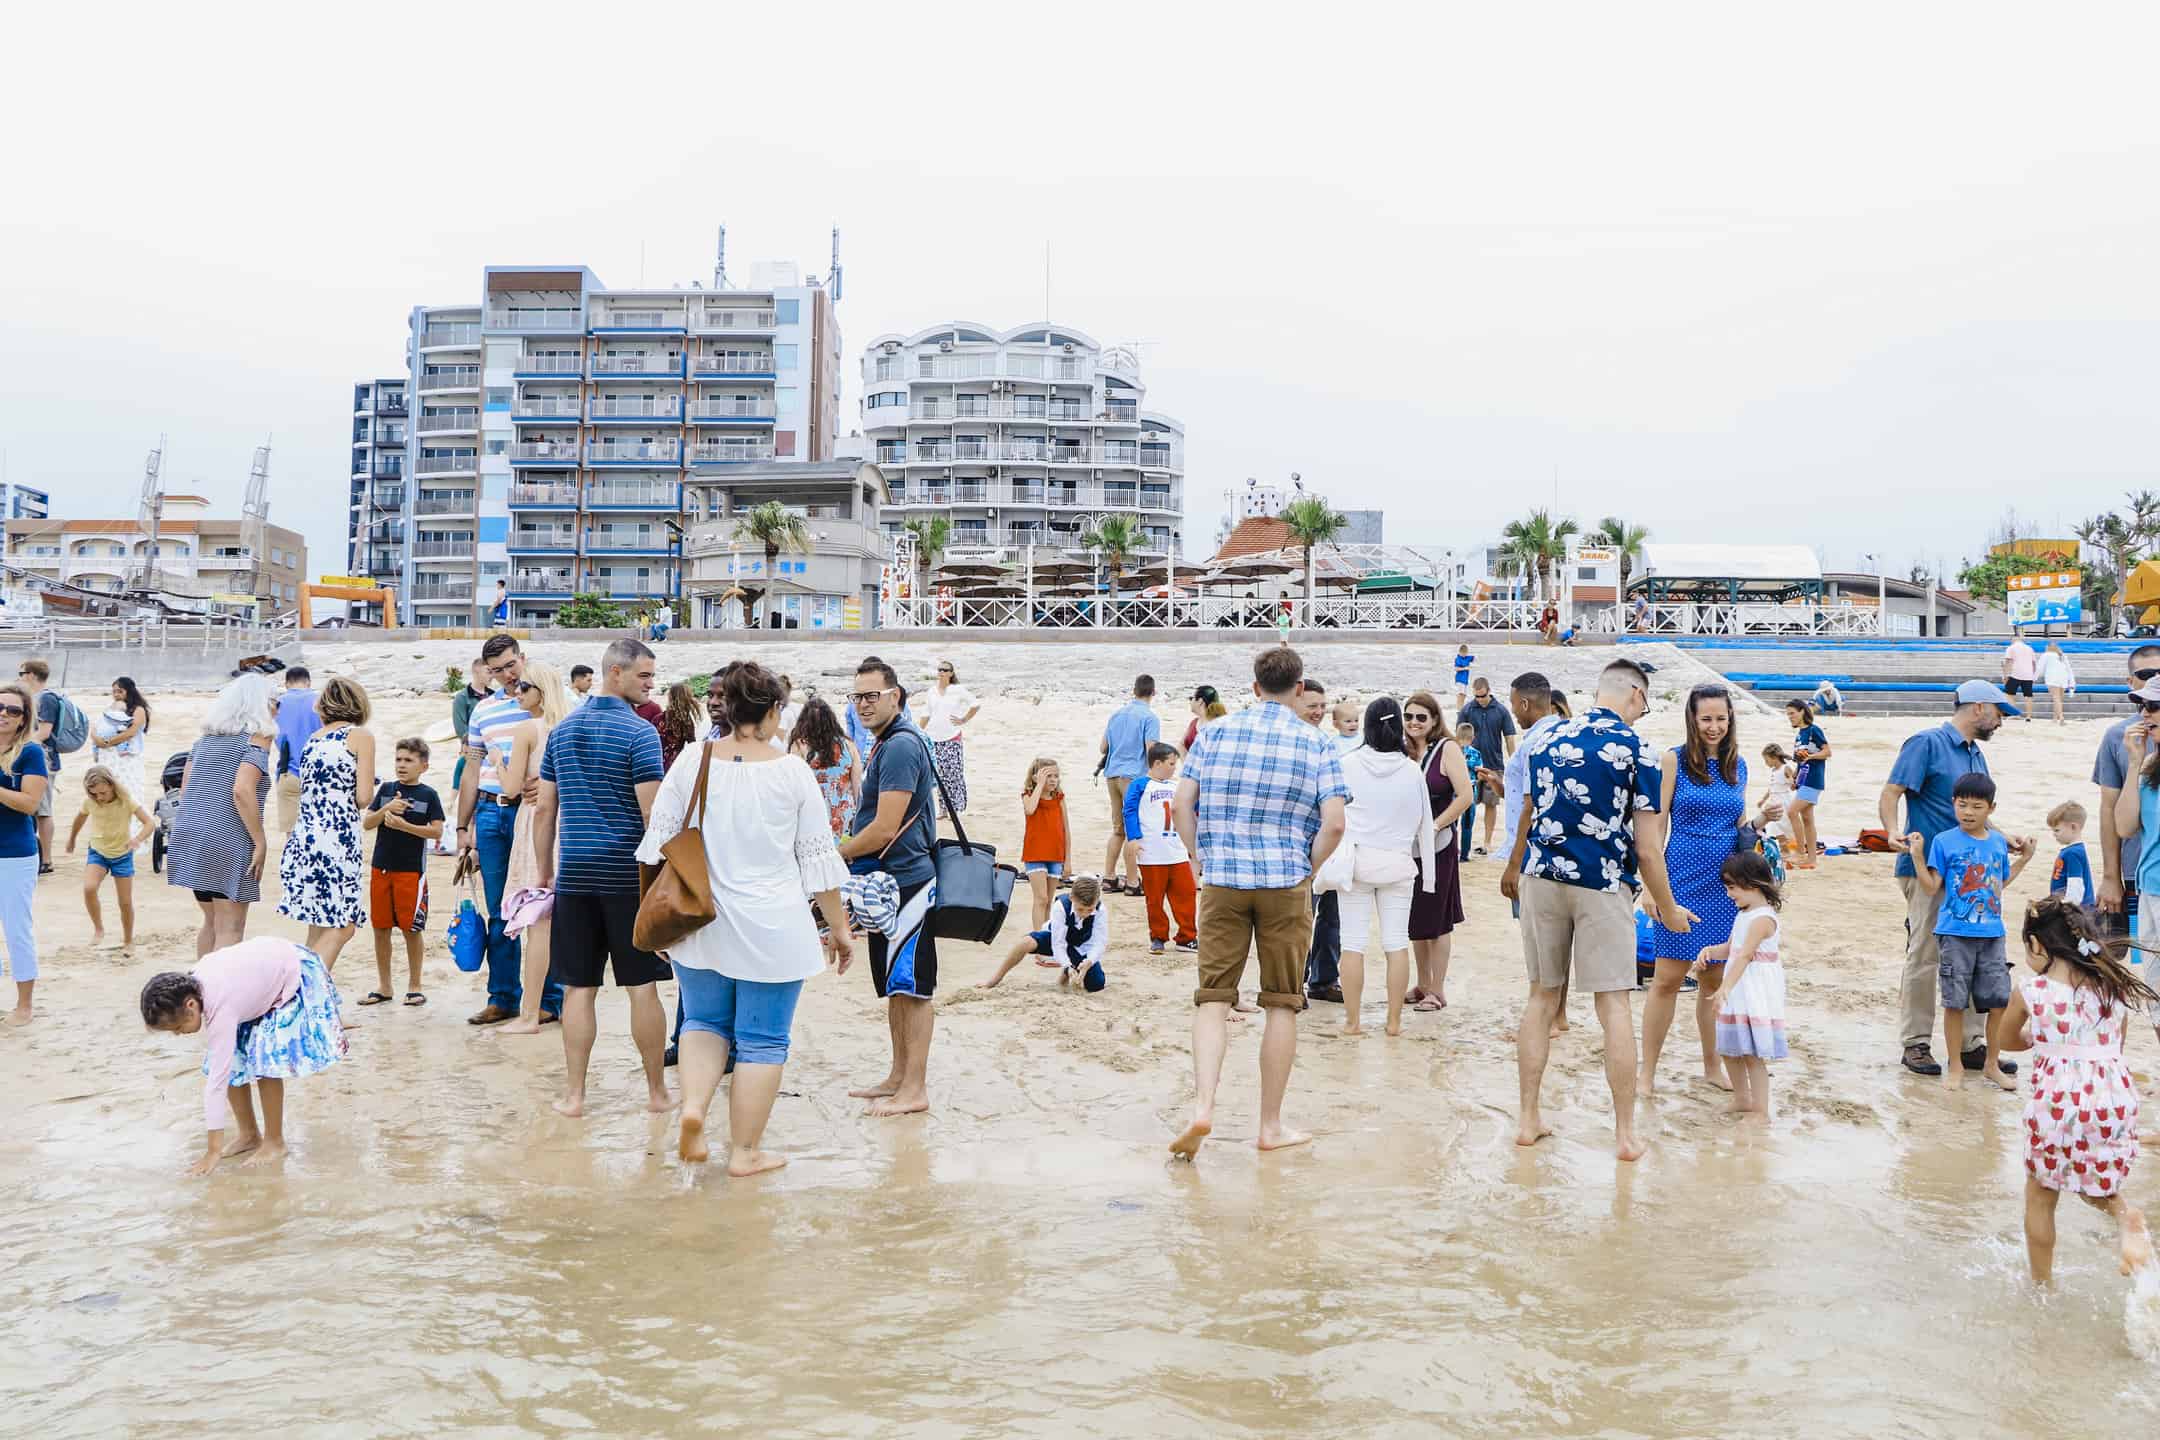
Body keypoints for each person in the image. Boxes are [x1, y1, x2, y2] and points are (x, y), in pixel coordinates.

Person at [636, 660, 853, 1176]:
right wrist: (840, 930)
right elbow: (818, 863)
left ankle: (693, 1108)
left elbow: (656, 843)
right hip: (773, 924)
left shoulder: (693, 760)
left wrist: (656, 918)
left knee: (705, 1022)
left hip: (699, 917)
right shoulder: (791, 771)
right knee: (763, 1040)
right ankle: (745, 1152)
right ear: (774, 710)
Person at [1503, 658, 1691, 1162]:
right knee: (1613, 1007)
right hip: (1602, 883)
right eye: (1644, 703)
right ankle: (1625, 1135)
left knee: (1541, 999)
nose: (1643, 712)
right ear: (1634, 694)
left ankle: (1527, 1119)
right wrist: (1669, 909)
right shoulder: (1638, 752)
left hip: (1540, 879)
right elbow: (1648, 849)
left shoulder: (1543, 740)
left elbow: (1528, 812)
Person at [1168, 646, 1348, 1160]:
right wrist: (1307, 869)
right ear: (1298, 690)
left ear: (1253, 688)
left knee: (1213, 998)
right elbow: (1335, 823)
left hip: (1223, 877)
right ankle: (1269, 1125)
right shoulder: (1316, 743)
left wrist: (1197, 855)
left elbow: (1183, 802)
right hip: (1285, 880)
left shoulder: (1215, 732)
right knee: (1282, 1003)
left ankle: (1203, 1106)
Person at [533, 638, 672, 1118]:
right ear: (615, 672)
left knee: (578, 989)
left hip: (575, 875)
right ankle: (656, 1094)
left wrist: (546, 874)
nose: (651, 685)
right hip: (625, 877)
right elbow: (652, 810)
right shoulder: (640, 734)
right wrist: (662, 880)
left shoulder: (561, 732)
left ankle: (575, 1096)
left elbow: (544, 810)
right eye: (644, 676)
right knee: (642, 987)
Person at [1992, 896, 2157, 1283]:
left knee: (2042, 1191)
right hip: (2112, 1101)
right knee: (2094, 1179)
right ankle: (2126, 1216)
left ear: (2037, 946)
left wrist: (2039, 1037)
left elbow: (2006, 1041)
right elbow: (2114, 1046)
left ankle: (2041, 1286)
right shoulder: (2112, 988)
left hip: (2059, 1103)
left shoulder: (2031, 990)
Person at [1642, 685, 1781, 1095]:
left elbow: (1740, 834)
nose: (1714, 727)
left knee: (1713, 980)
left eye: (1721, 718)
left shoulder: (1738, 765)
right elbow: (1656, 824)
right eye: (1706, 719)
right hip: (1680, 876)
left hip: (1726, 886)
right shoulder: (1674, 760)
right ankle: (1646, 1073)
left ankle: (1711, 1066)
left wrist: (1759, 820)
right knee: (1666, 979)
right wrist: (1652, 889)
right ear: (1692, 719)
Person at [1881, 679, 2022, 1076]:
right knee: (1925, 956)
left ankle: (1972, 1044)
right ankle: (1916, 1043)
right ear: (1978, 708)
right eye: (1999, 712)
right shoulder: (1925, 743)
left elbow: (1977, 810)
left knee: (1975, 956)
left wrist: (2002, 834)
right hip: (1927, 868)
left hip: (1970, 874)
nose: (2001, 721)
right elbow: (1891, 792)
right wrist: (1892, 831)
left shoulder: (1977, 755)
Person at [139, 936, 348, 1175]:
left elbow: (216, 1084)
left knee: (265, 1059)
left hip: (291, 971)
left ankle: (275, 1142)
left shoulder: (221, 1005)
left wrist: (213, 1151)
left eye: (176, 1028)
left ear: (190, 1006)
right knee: (232, 1060)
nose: (177, 1035)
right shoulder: (195, 988)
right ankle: (249, 1134)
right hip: (256, 982)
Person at [838, 657, 942, 1118]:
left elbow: (883, 829)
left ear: (895, 696)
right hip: (888, 882)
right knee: (897, 986)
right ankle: (899, 1076)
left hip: (907, 882)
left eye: (871, 695)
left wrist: (833, 852)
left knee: (914, 987)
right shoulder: (888, 742)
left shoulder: (900, 746)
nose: (863, 704)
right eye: (857, 696)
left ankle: (914, 1088)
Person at [1910, 771, 2033, 1092]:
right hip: (1953, 933)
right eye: (1962, 805)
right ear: (1953, 804)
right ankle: (1956, 1067)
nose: (1968, 812)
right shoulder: (1944, 841)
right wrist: (1917, 857)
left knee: (1997, 1003)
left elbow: (1998, 884)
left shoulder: (1996, 842)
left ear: (1991, 809)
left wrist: (2026, 860)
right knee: (1954, 1003)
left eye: (1976, 806)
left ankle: (1992, 1064)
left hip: (1993, 934)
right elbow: (1931, 886)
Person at [456, 635, 552, 1027]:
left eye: (512, 665)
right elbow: (471, 771)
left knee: (544, 906)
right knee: (500, 909)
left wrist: (548, 785)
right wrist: (462, 827)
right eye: (497, 670)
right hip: (494, 812)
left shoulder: (551, 705)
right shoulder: (483, 711)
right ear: (487, 672)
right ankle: (503, 996)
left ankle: (549, 998)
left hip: (537, 811)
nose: (508, 675)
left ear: (523, 659)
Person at [1333, 697, 1437, 1037]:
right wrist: (1429, 877)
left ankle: (1353, 1022)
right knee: (1395, 944)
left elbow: (1332, 814)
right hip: (1397, 863)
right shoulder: (1411, 770)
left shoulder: (1347, 763)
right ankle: (1393, 1022)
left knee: (1352, 944)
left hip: (1357, 862)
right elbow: (1423, 822)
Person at [165, 672, 274, 958]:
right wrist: (260, 841)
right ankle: (218, 995)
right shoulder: (258, 739)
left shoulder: (204, 740)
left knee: (211, 922)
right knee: (231, 928)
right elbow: (242, 791)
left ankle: (202, 992)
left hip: (190, 834)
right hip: (226, 838)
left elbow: (186, 789)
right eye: (274, 702)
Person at [275, 676, 374, 975]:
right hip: (338, 837)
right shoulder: (359, 736)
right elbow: (363, 797)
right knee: (343, 926)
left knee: (318, 926)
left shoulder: (314, 740)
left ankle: (312, 1000)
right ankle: (308, 994)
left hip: (306, 836)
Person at [494, 661, 569, 1035]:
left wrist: (497, 760)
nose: (517, 692)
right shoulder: (567, 726)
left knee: (537, 924)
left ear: (540, 690)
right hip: (569, 827)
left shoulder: (528, 729)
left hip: (535, 823)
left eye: (524, 687)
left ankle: (529, 1014)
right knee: (566, 927)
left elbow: (509, 789)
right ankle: (567, 1007)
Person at [1691, 851, 1787, 1122]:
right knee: (1730, 1047)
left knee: (1753, 1054)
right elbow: (1732, 949)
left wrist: (1724, 988)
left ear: (1753, 884)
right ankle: (1742, 1099)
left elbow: (1746, 955)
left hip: (1753, 990)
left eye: (1732, 887)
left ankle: (1761, 1110)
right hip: (1737, 986)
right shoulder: (1744, 914)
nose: (1728, 893)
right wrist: (1709, 951)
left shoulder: (1763, 919)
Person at [360, 737, 443, 1008]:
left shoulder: (429, 795)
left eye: (408, 760)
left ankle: (415, 986)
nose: (402, 765)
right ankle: (384, 986)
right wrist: (386, 809)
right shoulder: (386, 789)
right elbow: (368, 823)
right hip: (381, 866)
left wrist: (404, 825)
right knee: (380, 928)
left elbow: (436, 831)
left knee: (411, 929)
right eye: (398, 759)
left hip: (411, 871)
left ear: (424, 766)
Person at [1402, 690, 1471, 1010]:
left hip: (1439, 846)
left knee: (1439, 919)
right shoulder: (1402, 750)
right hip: (1408, 847)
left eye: (1420, 717)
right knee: (1416, 919)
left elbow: (1465, 796)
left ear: (1433, 720)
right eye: (1408, 716)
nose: (1414, 722)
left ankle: (1438, 989)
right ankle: (1422, 983)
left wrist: (1436, 825)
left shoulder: (1448, 748)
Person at [2093, 644, 2160, 944]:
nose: (2147, 712)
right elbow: (2115, 816)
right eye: (2147, 674)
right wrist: (2111, 876)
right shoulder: (2124, 743)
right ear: (2131, 681)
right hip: (2144, 876)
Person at [0, 681, 48, 1023]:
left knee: (17, 928)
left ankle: (25, 1004)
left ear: (23, 718)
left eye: (13, 710)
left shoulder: (30, 753)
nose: (4, 714)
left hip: (14, 855)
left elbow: (30, 803)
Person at [67, 765, 150, 953]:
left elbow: (150, 823)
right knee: (89, 888)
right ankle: (98, 928)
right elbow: (79, 818)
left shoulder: (126, 800)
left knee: (125, 902)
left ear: (112, 786)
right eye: (94, 794)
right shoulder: (90, 802)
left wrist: (137, 839)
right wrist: (72, 838)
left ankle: (128, 941)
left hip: (122, 854)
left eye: (103, 793)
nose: (99, 798)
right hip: (98, 851)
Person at [1126, 743, 1197, 955]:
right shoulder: (1140, 785)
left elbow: (1190, 808)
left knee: (1186, 893)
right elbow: (1129, 810)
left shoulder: (1175, 786)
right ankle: (1158, 936)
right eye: (1171, 764)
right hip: (1151, 852)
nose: (1174, 768)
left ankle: (1187, 936)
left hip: (1176, 850)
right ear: (1157, 763)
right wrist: (1134, 837)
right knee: (1154, 898)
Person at [979, 874, 1108, 992]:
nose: (1085, 914)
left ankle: (1066, 971)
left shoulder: (1100, 910)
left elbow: (1099, 942)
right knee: (1025, 943)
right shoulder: (1061, 906)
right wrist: (1067, 964)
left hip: (1081, 946)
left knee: (1096, 984)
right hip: (1054, 938)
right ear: (1072, 898)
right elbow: (1058, 944)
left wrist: (1089, 962)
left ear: (1096, 901)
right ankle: (995, 979)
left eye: (1089, 910)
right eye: (1080, 909)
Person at [1099, 675, 1160, 894]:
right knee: (1134, 830)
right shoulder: (1150, 717)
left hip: (1112, 775)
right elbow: (1151, 749)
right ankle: (1133, 881)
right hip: (1133, 778)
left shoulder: (1117, 714)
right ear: (1153, 692)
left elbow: (1103, 746)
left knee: (1118, 830)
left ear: (1133, 691)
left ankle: (1109, 877)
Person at [914, 660, 979, 820]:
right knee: (939, 775)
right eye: (940, 670)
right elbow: (926, 713)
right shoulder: (932, 692)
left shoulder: (957, 690)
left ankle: (954, 808)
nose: (941, 672)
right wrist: (917, 732)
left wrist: (963, 719)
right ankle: (943, 809)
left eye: (945, 670)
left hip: (952, 737)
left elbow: (976, 704)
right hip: (933, 738)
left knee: (953, 773)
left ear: (951, 673)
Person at [18, 658, 66, 873]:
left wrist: (19, 745)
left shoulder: (45, 699)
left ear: (30, 675)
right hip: (36, 758)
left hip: (45, 761)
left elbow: (45, 733)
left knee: (43, 811)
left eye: (21, 673)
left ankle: (47, 859)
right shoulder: (35, 698)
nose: (19, 678)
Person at [791, 698, 862, 841]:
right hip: (844, 811)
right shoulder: (848, 745)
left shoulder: (800, 745)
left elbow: (794, 785)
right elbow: (857, 786)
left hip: (813, 812)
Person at [1461, 678, 1517, 856]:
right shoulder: (1468, 709)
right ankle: (1464, 843)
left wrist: (1515, 762)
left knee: (1491, 804)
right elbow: (1457, 735)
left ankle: (1487, 843)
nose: (1480, 699)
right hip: (1470, 766)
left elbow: (1509, 737)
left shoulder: (1500, 710)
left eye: (1482, 696)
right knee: (1466, 804)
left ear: (1489, 691)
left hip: (1494, 765)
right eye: (1476, 696)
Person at [1020, 756, 1070, 931]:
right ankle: (1038, 938)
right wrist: (1039, 785)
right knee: (1040, 898)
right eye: (1048, 776)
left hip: (1055, 854)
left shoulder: (1059, 798)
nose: (1053, 780)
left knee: (1049, 900)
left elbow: (1066, 830)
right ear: (1036, 777)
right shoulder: (1027, 795)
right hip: (1035, 853)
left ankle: (1047, 936)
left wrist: (1067, 860)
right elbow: (1030, 809)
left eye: (1056, 776)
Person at [271, 666, 318, 836]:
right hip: (318, 773)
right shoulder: (321, 701)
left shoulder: (276, 704)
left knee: (292, 838)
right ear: (309, 682)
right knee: (318, 833)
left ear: (286, 684)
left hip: (288, 772)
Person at [1784, 701, 1830, 871]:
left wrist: (1811, 757)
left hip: (1814, 779)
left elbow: (1827, 752)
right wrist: (1795, 779)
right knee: (1808, 820)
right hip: (1804, 780)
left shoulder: (1813, 730)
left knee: (1791, 811)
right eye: (1788, 714)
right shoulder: (1799, 736)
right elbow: (1799, 762)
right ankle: (1811, 859)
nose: (1790, 717)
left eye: (1792, 713)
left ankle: (1800, 853)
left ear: (1802, 712)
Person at [93, 676, 151, 798]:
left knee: (128, 790)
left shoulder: (138, 709)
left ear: (129, 691)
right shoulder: (110, 710)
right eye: (114, 691)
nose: (116, 694)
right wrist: (96, 739)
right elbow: (97, 726)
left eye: (120, 691)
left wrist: (108, 742)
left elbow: (131, 732)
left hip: (127, 758)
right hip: (107, 757)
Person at [2048, 801, 2092, 908]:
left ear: (2073, 827)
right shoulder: (2073, 851)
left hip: (2077, 912)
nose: (2054, 834)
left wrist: (2066, 909)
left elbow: (2075, 885)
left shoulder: (2073, 853)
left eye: (2057, 830)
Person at [658, 681, 701, 772]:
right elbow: (692, 746)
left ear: (670, 697)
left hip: (656, 763)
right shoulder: (687, 722)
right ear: (687, 698)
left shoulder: (658, 718)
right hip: (675, 765)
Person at [1454, 721, 1483, 856]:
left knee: (1452, 822)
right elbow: (1480, 774)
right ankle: (1465, 854)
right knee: (1467, 824)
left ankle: (1452, 851)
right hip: (1470, 790)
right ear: (1472, 738)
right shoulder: (1476, 754)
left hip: (1454, 790)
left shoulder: (1452, 751)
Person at [1759, 743, 1796, 843]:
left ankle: (1787, 846)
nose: (1766, 763)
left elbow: (1794, 783)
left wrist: (1793, 782)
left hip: (1784, 801)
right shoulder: (1774, 770)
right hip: (1773, 801)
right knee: (1772, 825)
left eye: (1766, 760)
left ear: (1774, 757)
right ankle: (1784, 846)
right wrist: (1763, 800)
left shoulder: (1786, 768)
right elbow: (1772, 788)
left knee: (1783, 824)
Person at [2001, 633, 2039, 722]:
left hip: (2016, 674)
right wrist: (2033, 676)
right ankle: (2029, 716)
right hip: (2028, 675)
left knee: (2009, 694)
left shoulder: (2011, 648)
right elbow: (2034, 664)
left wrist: (2005, 675)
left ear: (2012, 640)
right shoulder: (2030, 648)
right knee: (2028, 696)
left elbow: (2008, 662)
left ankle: (2015, 714)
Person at [2038, 641, 2077, 727]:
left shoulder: (2046, 655)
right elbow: (2069, 669)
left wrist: (2034, 677)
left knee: (2056, 698)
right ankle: (2055, 718)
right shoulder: (2062, 655)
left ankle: (2061, 718)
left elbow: (2040, 668)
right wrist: (2072, 682)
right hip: (2063, 678)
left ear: (2048, 647)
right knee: (2059, 699)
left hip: (2052, 678)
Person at [1184, 685, 1227, 752]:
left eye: (1191, 698)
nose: (1190, 701)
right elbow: (1181, 745)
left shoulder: (1216, 727)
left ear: (1200, 701)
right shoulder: (1194, 722)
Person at [1453, 645, 1474, 711]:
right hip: (1459, 679)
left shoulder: (1467, 658)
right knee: (1460, 694)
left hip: (1465, 680)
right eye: (1462, 653)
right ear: (1460, 652)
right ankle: (1459, 709)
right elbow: (1456, 669)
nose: (1464, 655)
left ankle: (1461, 708)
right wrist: (1465, 668)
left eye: (1465, 653)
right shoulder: (1458, 659)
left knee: (1464, 695)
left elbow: (1475, 658)